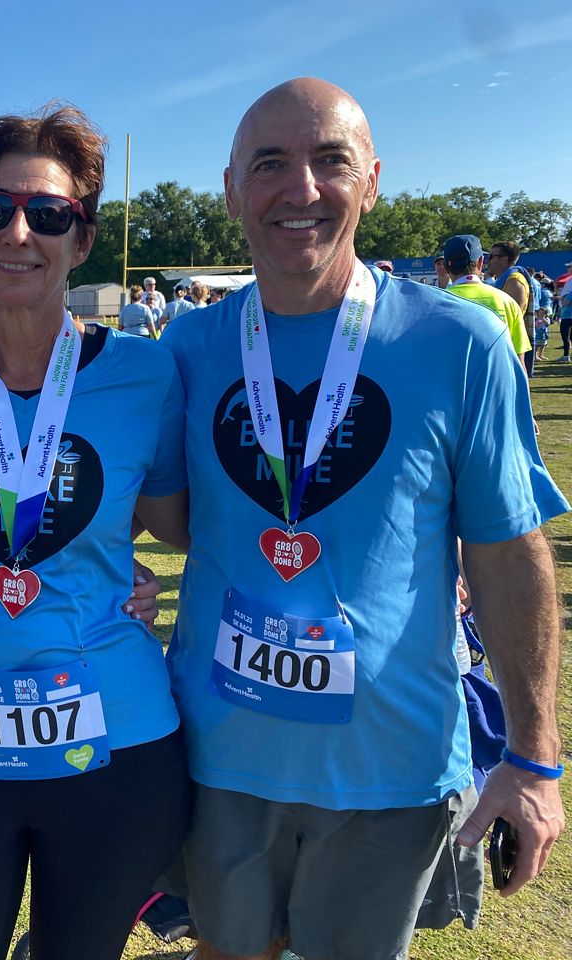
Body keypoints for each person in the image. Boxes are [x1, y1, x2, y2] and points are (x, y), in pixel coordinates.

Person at [160, 77, 566, 960]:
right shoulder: (187, 349)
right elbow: (170, 518)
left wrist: (534, 760)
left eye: (329, 161)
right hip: (220, 750)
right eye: (269, 163)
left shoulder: (461, 343)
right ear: (231, 189)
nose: (300, 188)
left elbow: (507, 554)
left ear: (372, 180)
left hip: (391, 765)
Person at [0, 103, 192, 960]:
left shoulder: (145, 372)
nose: (17, 233)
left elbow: (180, 526)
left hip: (117, 735)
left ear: (82, 238)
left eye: (48, 214)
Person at [441, 234, 531, 363]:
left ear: (445, 266)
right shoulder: (507, 302)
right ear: (480, 262)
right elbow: (518, 362)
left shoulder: (434, 304)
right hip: (498, 381)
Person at [486, 240, 535, 374]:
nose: (488, 260)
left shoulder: (514, 280)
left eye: (492, 256)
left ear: (504, 260)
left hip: (510, 342)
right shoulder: (504, 279)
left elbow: (512, 317)